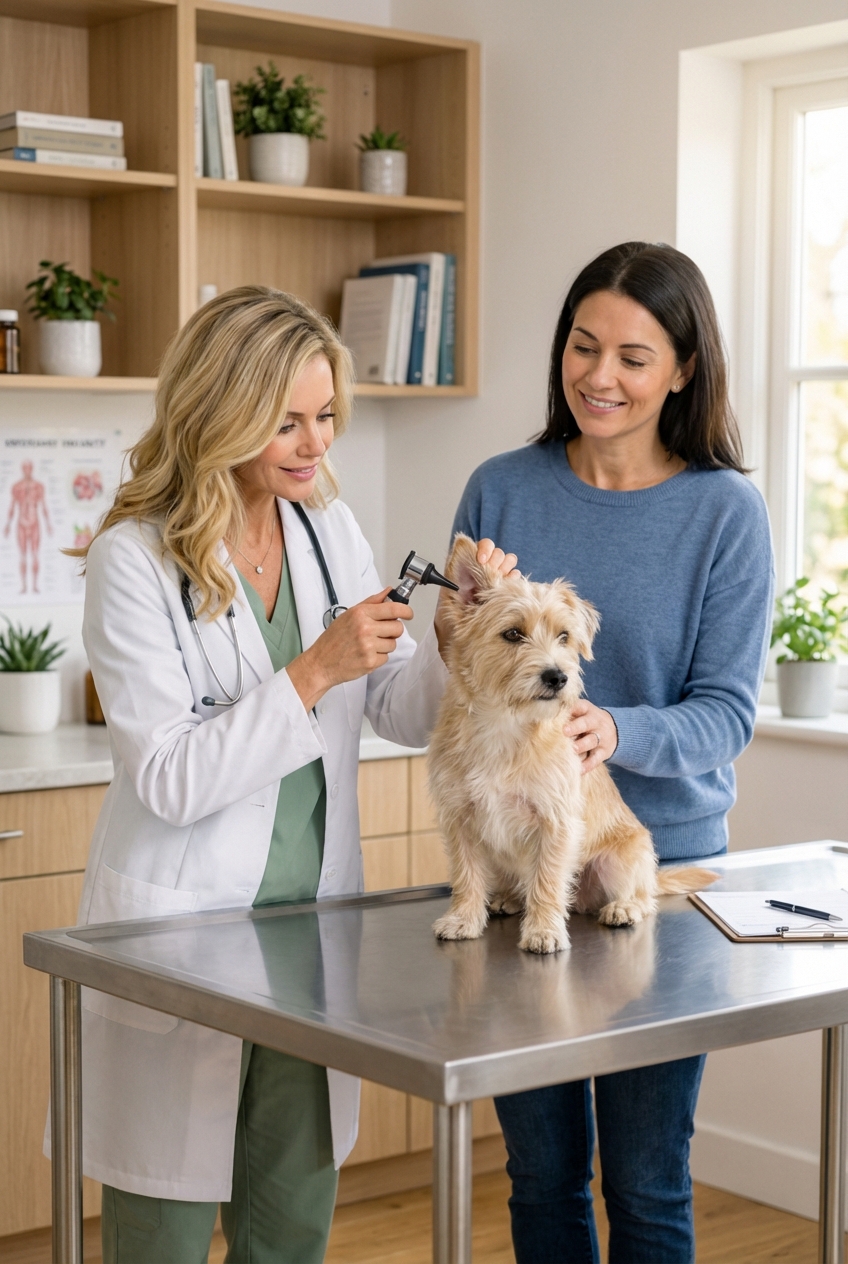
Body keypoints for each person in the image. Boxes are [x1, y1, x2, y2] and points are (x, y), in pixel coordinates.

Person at [66, 286, 514, 1264]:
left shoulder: (326, 529)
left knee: (289, 1226)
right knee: (164, 1236)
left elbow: (392, 706)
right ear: (217, 408)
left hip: (306, 942)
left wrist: (448, 635)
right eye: (286, 421)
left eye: (325, 419)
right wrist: (312, 666)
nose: (315, 446)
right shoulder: (131, 559)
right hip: (182, 939)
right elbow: (172, 777)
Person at [451, 242, 775, 1264]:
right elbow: (461, 665)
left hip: (646, 868)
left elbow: (726, 711)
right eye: (582, 347)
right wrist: (458, 609)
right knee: (540, 1175)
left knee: (644, 1180)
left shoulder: (724, 510)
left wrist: (615, 728)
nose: (599, 376)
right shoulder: (498, 488)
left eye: (634, 356)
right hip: (515, 875)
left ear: (682, 367)